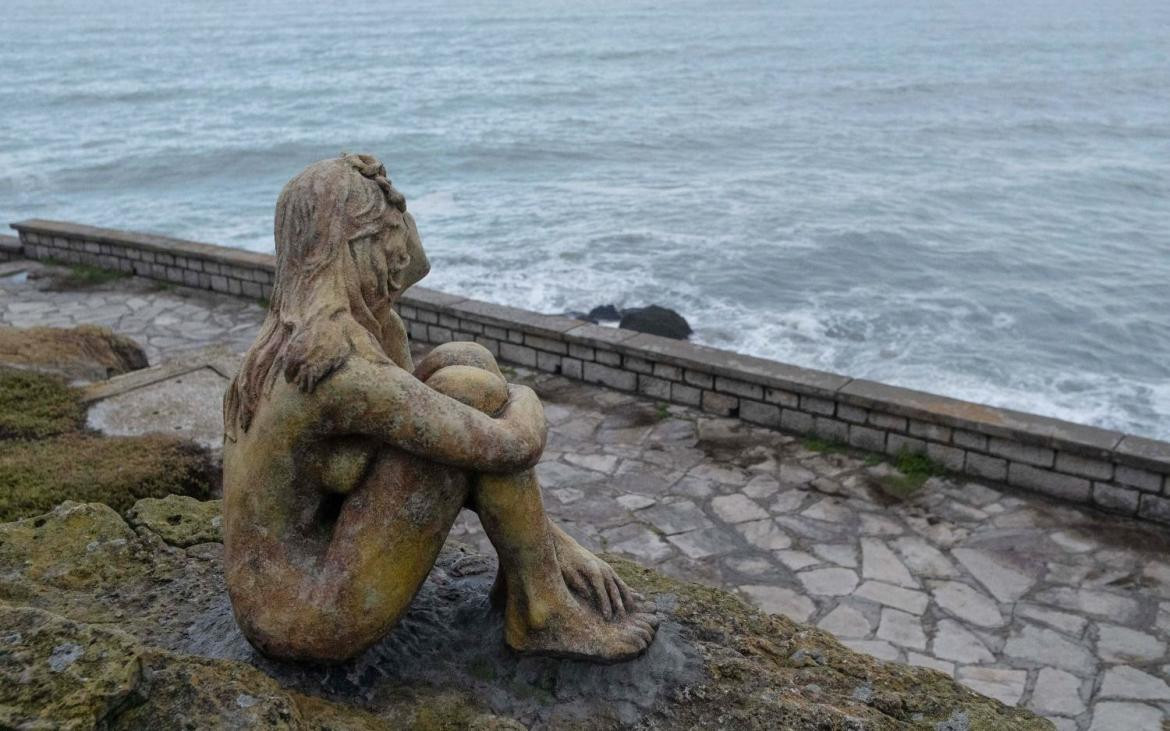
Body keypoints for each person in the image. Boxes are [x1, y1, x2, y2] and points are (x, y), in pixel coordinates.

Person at [222, 154, 658, 664]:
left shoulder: (338, 334)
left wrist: (551, 544)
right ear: (357, 247)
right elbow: (512, 447)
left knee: (463, 360)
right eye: (393, 226)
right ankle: (541, 611)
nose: (404, 238)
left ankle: (526, 584)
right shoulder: (335, 372)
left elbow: (441, 440)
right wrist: (524, 395)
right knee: (468, 392)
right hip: (306, 616)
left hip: (313, 571)